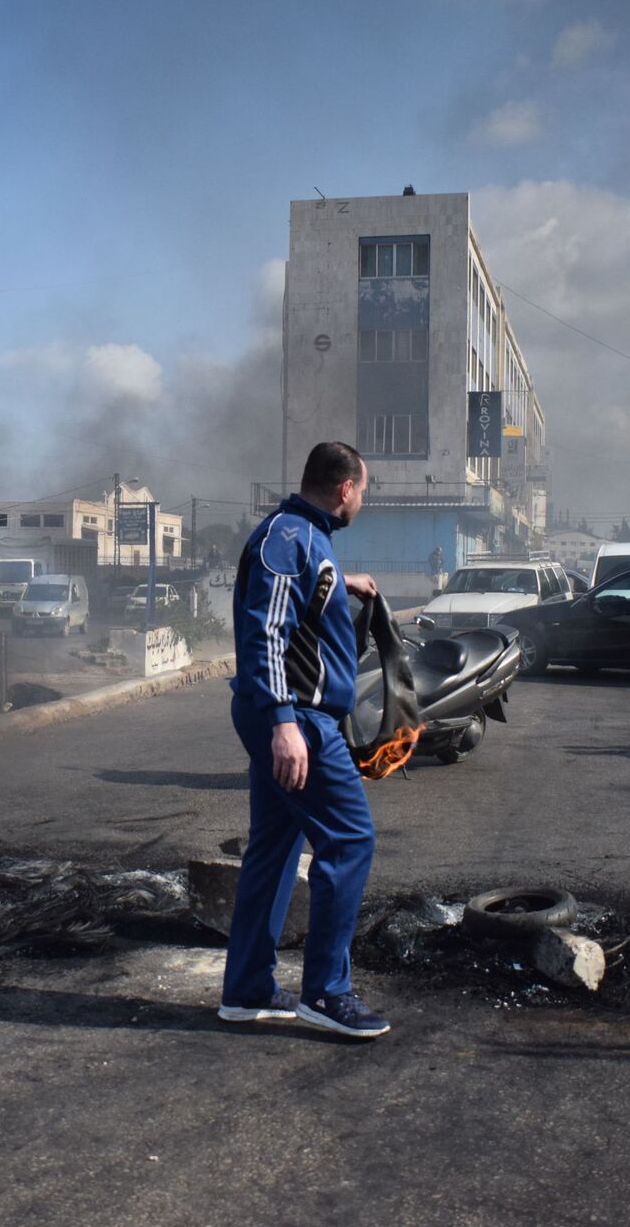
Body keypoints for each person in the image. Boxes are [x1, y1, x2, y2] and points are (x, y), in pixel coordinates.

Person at [221, 441, 388, 1038]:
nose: (362, 502)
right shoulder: (289, 539)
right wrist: (284, 723)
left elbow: (295, 595)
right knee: (350, 840)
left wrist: (344, 582)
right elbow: (265, 629)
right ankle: (327, 992)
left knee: (275, 845)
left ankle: (247, 989)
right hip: (299, 721)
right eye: (363, 491)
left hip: (287, 716)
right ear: (344, 488)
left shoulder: (301, 538)